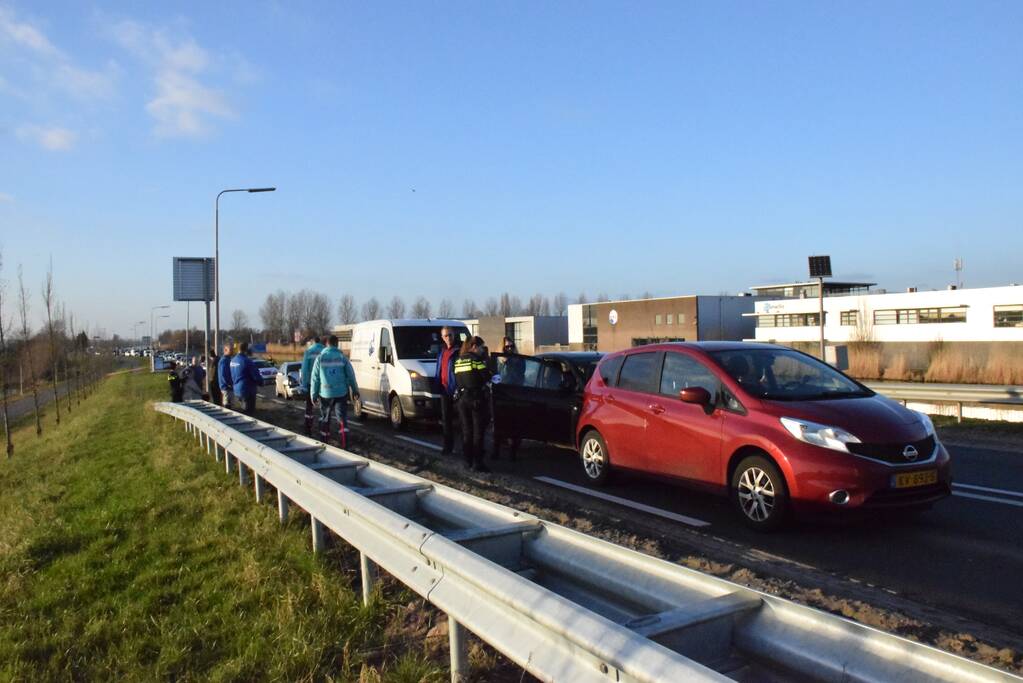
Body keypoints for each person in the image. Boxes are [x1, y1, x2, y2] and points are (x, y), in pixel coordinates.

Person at [311, 335, 359, 446]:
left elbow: (315, 378)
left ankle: (324, 443)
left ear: (326, 344)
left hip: (325, 393)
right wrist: (355, 390)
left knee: (325, 419)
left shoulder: (320, 358)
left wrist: (313, 394)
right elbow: (351, 376)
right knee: (342, 419)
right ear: (337, 344)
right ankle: (344, 444)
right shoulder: (342, 358)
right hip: (341, 393)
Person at [454, 336, 493, 472]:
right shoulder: (476, 360)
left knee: (466, 431)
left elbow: (457, 379)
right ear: (474, 346)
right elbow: (486, 377)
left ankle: (467, 461)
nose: (483, 350)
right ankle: (478, 463)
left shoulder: (458, 361)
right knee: (478, 432)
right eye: (481, 347)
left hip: (462, 399)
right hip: (476, 399)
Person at [493, 337, 522, 461]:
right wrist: (504, 362)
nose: (509, 349)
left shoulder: (518, 360)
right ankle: (496, 451)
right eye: (507, 347)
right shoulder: (498, 360)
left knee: (513, 425)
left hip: (514, 394)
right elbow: (495, 376)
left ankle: (512, 452)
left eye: (511, 346)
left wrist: (511, 363)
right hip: (501, 394)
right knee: (499, 424)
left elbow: (520, 376)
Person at [433, 325, 460, 455]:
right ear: (442, 337)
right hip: (444, 390)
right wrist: (437, 384)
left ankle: (466, 448)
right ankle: (447, 447)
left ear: (454, 335)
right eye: (445, 335)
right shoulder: (441, 351)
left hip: (456, 390)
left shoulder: (459, 351)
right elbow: (439, 369)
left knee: (461, 421)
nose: (448, 338)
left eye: (450, 335)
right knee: (446, 420)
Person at [300, 335, 326, 435]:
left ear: (312, 342)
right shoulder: (325, 351)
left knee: (309, 407)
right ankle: (322, 430)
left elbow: (305, 369)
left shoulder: (309, 351)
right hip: (323, 384)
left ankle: (308, 429)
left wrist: (304, 384)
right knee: (323, 409)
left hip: (311, 384)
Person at [230, 342, 261, 414]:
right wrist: (261, 382)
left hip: (237, 390)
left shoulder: (233, 360)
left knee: (243, 411)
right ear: (246, 350)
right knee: (248, 413)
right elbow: (256, 376)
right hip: (247, 391)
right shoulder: (247, 361)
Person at [218, 344, 234, 409]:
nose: (232, 351)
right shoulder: (224, 360)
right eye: (231, 350)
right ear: (225, 350)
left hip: (229, 387)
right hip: (226, 387)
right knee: (227, 406)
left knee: (230, 405)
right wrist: (229, 384)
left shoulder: (229, 359)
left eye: (232, 350)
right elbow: (223, 374)